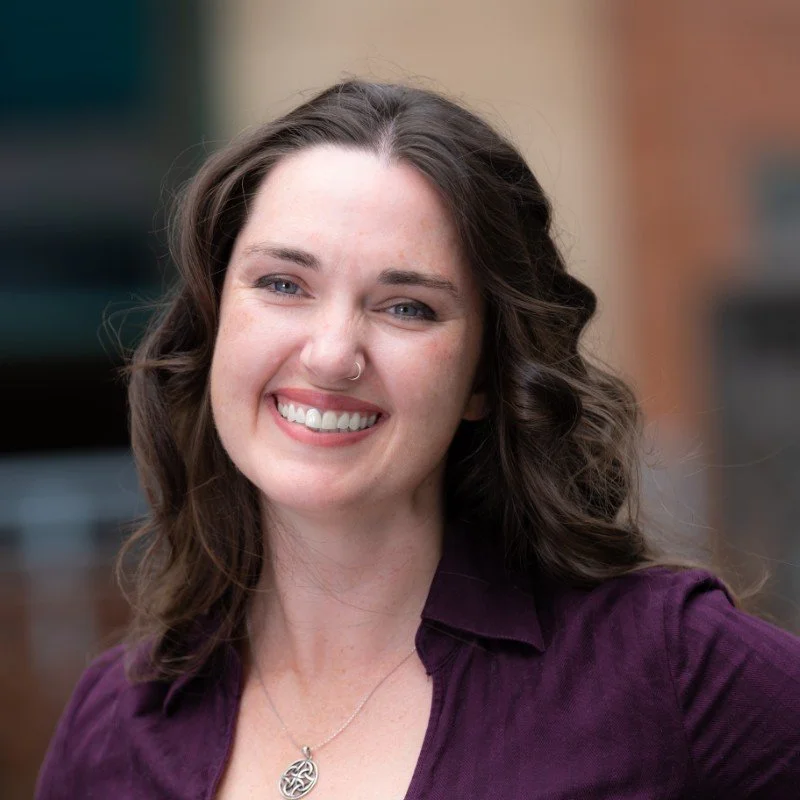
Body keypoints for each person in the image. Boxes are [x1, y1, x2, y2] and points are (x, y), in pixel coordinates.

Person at [36, 80, 800, 800]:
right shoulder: (115, 724)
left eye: (406, 307)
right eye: (283, 284)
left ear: (483, 378)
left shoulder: (660, 664)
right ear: (213, 325)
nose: (333, 354)